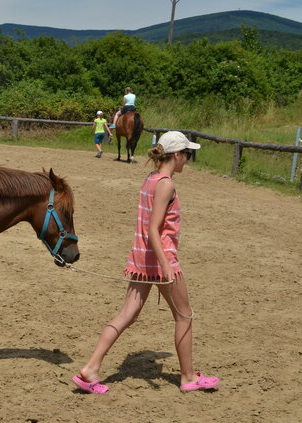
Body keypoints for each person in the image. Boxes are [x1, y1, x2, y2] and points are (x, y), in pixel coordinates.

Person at [72, 131, 220, 394]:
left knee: (126, 315)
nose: (187, 159)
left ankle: (90, 369)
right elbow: (154, 229)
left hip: (140, 260)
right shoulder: (166, 184)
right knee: (185, 316)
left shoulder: (150, 179)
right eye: (186, 154)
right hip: (160, 261)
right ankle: (188, 377)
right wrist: (166, 266)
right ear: (176, 155)